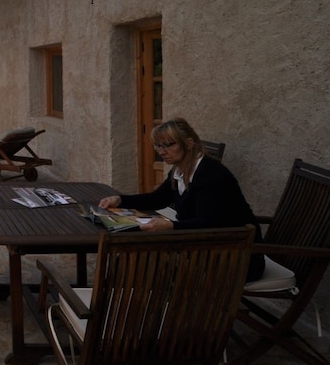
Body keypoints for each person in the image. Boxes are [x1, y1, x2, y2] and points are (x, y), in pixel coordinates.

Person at [98, 117, 265, 282]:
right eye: (158, 146)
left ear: (189, 143)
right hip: (208, 248)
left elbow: (208, 223)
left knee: (143, 260)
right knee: (133, 257)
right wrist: (120, 200)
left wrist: (171, 226)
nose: (162, 152)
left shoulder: (211, 174)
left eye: (169, 145)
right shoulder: (179, 170)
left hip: (236, 258)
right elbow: (157, 199)